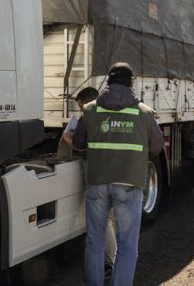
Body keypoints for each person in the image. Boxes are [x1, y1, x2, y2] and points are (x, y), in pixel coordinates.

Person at [67, 62, 163, 286]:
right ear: (131, 83)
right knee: (127, 246)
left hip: (98, 183)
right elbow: (157, 146)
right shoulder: (144, 113)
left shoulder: (90, 110)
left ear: (108, 83)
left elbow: (79, 143)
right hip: (129, 184)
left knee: (95, 243)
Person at [62, 87, 117, 278]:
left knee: (101, 223)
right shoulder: (113, 117)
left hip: (98, 177)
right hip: (116, 173)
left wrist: (68, 137)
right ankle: (111, 262)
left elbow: (79, 145)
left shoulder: (87, 118)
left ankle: (109, 264)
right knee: (109, 219)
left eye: (81, 107)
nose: (81, 111)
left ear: (88, 102)